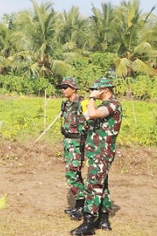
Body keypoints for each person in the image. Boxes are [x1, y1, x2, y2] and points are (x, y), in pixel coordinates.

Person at [71, 77, 122, 235]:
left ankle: (88, 223)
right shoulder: (104, 106)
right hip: (96, 152)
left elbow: (92, 114)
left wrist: (91, 99)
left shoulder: (113, 104)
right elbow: (88, 116)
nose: (92, 92)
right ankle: (103, 219)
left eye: (95, 89)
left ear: (105, 90)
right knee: (102, 184)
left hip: (102, 152)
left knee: (93, 186)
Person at [56, 77, 89, 220]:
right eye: (62, 87)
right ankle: (79, 205)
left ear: (74, 88)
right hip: (68, 143)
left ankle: (83, 206)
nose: (63, 90)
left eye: (66, 87)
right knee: (75, 174)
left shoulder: (83, 103)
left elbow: (91, 121)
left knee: (71, 174)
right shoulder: (68, 104)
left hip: (77, 143)